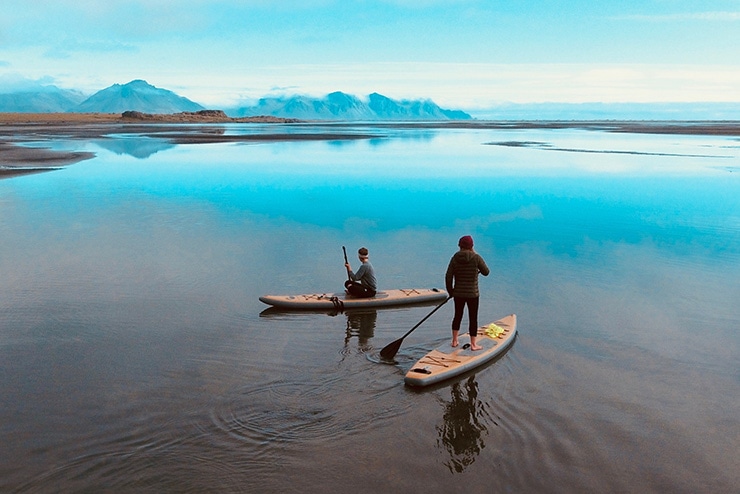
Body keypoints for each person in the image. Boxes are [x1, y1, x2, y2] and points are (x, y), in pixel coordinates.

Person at [445, 235, 489, 350]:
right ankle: (474, 345)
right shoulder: (476, 257)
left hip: (458, 294)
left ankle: (454, 341)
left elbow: (448, 276)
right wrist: (476, 255)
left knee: (457, 316)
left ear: (460, 245)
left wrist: (451, 292)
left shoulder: (455, 257)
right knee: (473, 318)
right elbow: (486, 272)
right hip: (472, 295)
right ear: (471, 246)